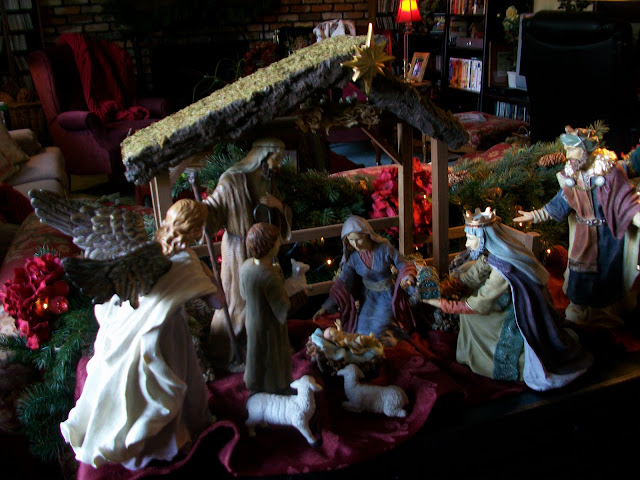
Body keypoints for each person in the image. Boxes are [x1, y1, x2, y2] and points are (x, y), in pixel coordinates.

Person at [60, 199, 221, 470]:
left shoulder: (143, 249)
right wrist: (209, 276)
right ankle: (172, 437)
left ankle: (164, 435)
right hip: (166, 331)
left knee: (161, 383)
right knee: (181, 377)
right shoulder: (187, 261)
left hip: (134, 325)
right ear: (195, 231)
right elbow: (219, 302)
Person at [424, 207, 592, 391]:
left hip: (517, 310)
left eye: (470, 239)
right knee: (467, 302)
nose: (467, 243)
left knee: (472, 317)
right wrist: (448, 287)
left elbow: (479, 303)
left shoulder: (503, 267)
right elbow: (474, 275)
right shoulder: (491, 253)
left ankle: (490, 361)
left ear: (484, 239)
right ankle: (471, 353)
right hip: (501, 298)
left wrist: (441, 304)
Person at [514, 126, 640, 326]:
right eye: (566, 150)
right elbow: (559, 204)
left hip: (607, 236)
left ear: (585, 150)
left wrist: (636, 216)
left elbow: (626, 200)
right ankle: (580, 308)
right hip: (583, 233)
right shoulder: (572, 175)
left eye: (572, 150)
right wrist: (534, 215)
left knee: (607, 274)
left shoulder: (609, 172)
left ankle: (605, 313)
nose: (568, 155)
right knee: (580, 271)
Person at [204, 137, 292, 366]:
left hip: (264, 247)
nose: (278, 163)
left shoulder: (268, 179)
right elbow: (213, 210)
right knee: (239, 301)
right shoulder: (231, 180)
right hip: (238, 252)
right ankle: (234, 349)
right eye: (277, 158)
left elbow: (281, 209)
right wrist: (203, 213)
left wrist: (277, 205)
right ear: (262, 155)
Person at [313, 215, 417, 345]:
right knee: (361, 330)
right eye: (351, 240)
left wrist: (408, 277)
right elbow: (343, 283)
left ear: (367, 235)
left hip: (387, 295)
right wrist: (326, 306)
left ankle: (389, 337)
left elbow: (402, 264)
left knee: (378, 331)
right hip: (368, 298)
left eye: (358, 239)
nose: (355, 244)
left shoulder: (384, 248)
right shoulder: (353, 258)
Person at [240, 222, 294, 395]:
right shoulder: (270, 276)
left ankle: (254, 383)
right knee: (272, 356)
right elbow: (282, 308)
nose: (279, 244)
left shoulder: (246, 266)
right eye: (276, 241)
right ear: (269, 246)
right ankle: (276, 387)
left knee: (255, 353)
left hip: (252, 319)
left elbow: (243, 294)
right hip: (269, 324)